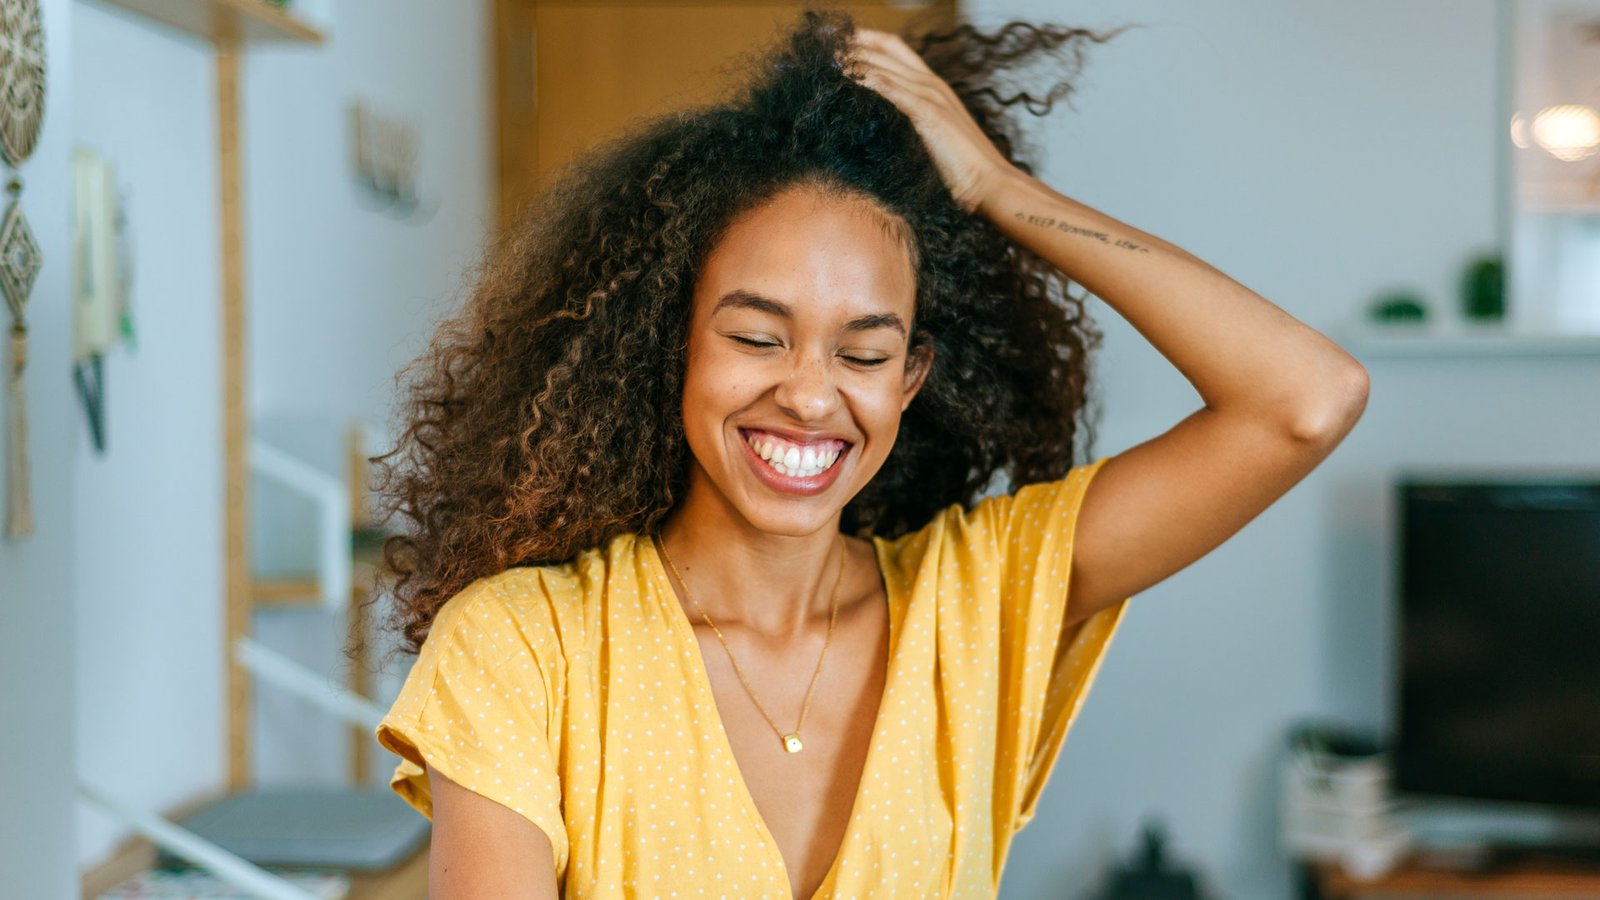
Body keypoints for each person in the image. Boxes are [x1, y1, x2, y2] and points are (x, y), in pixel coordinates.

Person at [366, 9, 1369, 899]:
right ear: (670, 345)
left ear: (910, 381)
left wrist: (997, 188)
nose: (809, 394)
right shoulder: (522, 650)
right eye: (757, 337)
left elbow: (1305, 400)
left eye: (864, 350)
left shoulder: (979, 606)